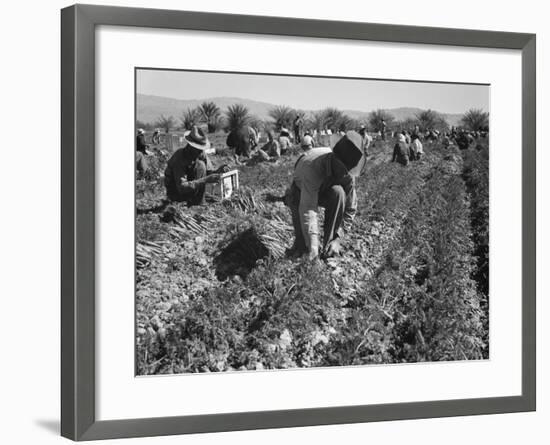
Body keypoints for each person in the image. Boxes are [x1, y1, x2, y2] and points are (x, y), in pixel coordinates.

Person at [285, 131, 364, 260]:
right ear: (334, 158)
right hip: (301, 191)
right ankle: (303, 249)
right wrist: (313, 247)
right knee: (304, 247)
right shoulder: (313, 167)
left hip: (325, 188)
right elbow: (309, 209)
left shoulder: (348, 174)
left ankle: (329, 245)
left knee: (338, 193)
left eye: (347, 170)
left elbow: (351, 208)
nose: (344, 173)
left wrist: (338, 239)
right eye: (342, 168)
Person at [164, 126, 229, 205]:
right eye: (197, 148)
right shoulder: (179, 158)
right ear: (190, 146)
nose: (200, 151)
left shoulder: (200, 153)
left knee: (201, 165)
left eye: (201, 149)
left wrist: (218, 171)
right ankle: (196, 202)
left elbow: (208, 173)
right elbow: (182, 187)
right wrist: (205, 180)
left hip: (192, 188)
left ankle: (197, 199)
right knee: (200, 165)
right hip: (176, 193)